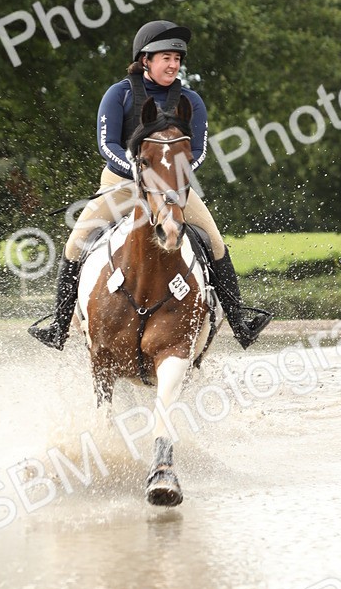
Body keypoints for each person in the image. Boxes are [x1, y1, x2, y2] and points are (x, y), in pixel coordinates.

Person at [30, 19, 272, 350]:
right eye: (166, 58)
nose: (173, 65)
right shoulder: (118, 95)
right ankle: (59, 326)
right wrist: (138, 171)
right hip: (122, 183)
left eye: (177, 59)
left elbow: (198, 150)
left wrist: (171, 178)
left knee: (215, 241)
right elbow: (106, 145)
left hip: (171, 188)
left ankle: (239, 322)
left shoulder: (191, 100)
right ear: (145, 60)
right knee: (75, 243)